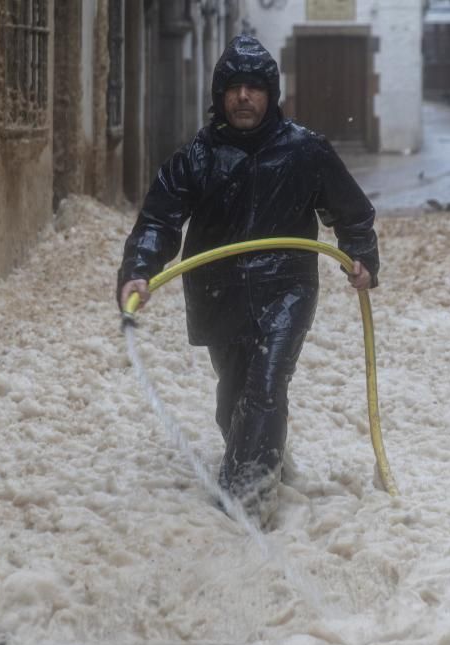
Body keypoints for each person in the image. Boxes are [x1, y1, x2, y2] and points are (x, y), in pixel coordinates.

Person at [117, 35, 379, 526]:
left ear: (270, 95)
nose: (243, 97)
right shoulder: (197, 158)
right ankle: (266, 456)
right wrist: (139, 270)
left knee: (265, 384)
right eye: (234, 87)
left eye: (254, 88)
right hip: (219, 291)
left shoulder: (306, 151)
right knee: (234, 393)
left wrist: (360, 256)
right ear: (220, 95)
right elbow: (158, 221)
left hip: (287, 288)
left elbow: (353, 213)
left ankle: (246, 502)